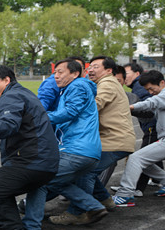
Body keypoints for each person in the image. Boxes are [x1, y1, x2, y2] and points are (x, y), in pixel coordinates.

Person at [0, 65, 59, 230]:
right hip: (44, 164)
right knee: (1, 196)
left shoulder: (11, 95)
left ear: (6, 80)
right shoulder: (24, 93)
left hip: (30, 162)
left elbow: (8, 125)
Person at [24, 59, 105, 227]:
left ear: (75, 73)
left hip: (77, 150)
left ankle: (92, 206)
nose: (56, 76)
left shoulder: (77, 86)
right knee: (55, 181)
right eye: (55, 72)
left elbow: (70, 112)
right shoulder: (73, 88)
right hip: (84, 150)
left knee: (40, 178)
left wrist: (40, 117)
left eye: (61, 72)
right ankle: (90, 207)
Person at [113, 70, 165, 207]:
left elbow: (151, 103)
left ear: (162, 83)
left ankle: (125, 195)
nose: (150, 92)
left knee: (135, 159)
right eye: (147, 90)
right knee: (143, 161)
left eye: (151, 88)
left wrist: (129, 107)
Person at [79, 56, 135, 210]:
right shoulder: (104, 83)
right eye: (90, 67)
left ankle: (83, 211)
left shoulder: (107, 84)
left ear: (108, 70)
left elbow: (94, 106)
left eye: (96, 67)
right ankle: (105, 201)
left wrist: (67, 114)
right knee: (85, 170)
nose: (90, 70)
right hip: (112, 139)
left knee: (85, 172)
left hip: (115, 141)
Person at [124, 63, 162, 192]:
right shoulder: (137, 87)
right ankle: (159, 180)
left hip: (152, 126)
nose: (124, 77)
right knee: (153, 154)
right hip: (152, 125)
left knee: (143, 156)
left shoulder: (139, 87)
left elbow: (150, 108)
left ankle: (137, 188)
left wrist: (130, 109)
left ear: (137, 74)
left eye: (126, 73)